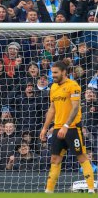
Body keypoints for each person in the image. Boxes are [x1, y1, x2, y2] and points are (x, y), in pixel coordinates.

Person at [40, 60, 95, 194]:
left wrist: (66, 125)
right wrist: (45, 128)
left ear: (64, 72)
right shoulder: (53, 87)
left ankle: (92, 190)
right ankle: (49, 191)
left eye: (56, 73)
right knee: (54, 159)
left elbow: (75, 108)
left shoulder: (73, 85)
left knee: (81, 157)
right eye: (52, 73)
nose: (53, 75)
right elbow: (52, 109)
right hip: (58, 128)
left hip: (72, 128)